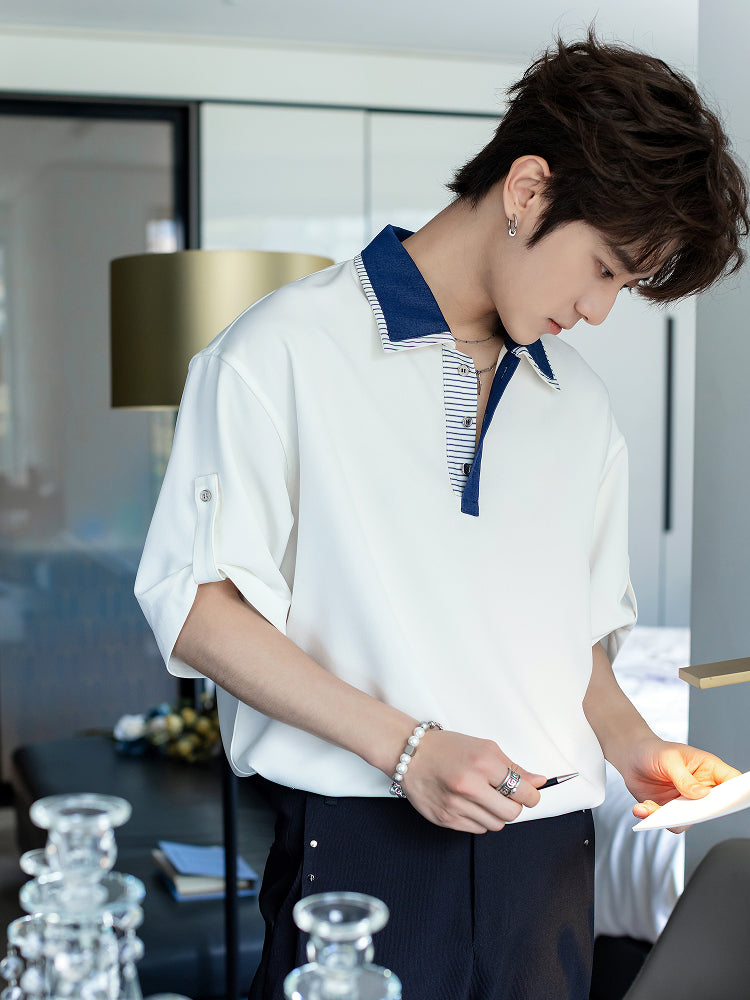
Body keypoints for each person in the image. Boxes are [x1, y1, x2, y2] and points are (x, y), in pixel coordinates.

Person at [135, 30, 749, 1000]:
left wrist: (638, 746)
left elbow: (574, 640)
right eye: (603, 267)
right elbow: (198, 609)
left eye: (625, 288)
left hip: (549, 864)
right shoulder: (279, 353)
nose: (599, 311)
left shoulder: (581, 407)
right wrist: (408, 748)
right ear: (529, 190)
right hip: (363, 850)